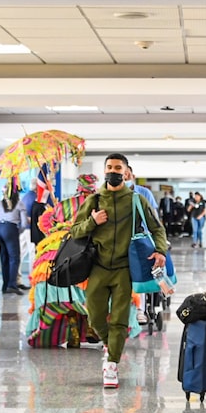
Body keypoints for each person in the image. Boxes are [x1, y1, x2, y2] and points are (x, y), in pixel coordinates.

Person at [70, 153, 166, 388]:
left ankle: (111, 365)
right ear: (105, 171)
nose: (113, 171)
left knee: (121, 319)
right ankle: (110, 344)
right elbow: (74, 231)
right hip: (99, 268)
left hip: (125, 268)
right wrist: (93, 222)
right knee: (94, 315)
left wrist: (161, 250)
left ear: (126, 172)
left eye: (118, 167)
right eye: (110, 167)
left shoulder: (136, 200)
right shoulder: (93, 201)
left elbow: (157, 228)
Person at [0, 184, 27, 295]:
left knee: (4, 258)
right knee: (14, 258)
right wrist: (17, 231)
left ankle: (5, 285)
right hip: (10, 229)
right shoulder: (19, 204)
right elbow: (24, 223)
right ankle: (12, 285)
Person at [16, 179, 37, 290]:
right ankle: (32, 279)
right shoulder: (34, 198)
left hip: (22, 229)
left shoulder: (25, 197)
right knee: (33, 254)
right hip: (30, 230)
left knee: (20, 254)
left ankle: (17, 279)